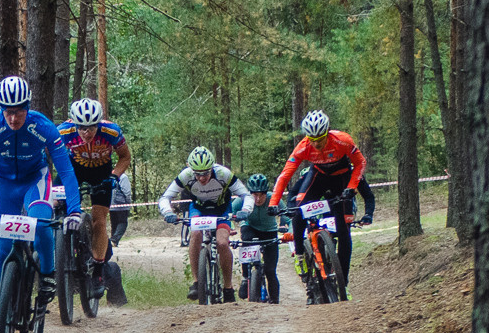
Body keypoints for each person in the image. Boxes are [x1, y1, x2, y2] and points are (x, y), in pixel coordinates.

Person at [0, 76, 82, 333]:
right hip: (3, 185)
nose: (13, 118)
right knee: (1, 250)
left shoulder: (43, 127)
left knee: (41, 223)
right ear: (0, 109)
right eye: (8, 112)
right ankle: (0, 323)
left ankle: (47, 276)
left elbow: (66, 170)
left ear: (28, 107)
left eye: (19, 111)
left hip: (35, 181)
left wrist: (74, 211)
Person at [269, 110, 376, 300]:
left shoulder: (343, 140)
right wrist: (273, 203)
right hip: (318, 176)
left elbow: (360, 162)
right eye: (312, 139)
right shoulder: (303, 147)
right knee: (299, 209)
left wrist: (351, 188)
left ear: (327, 133)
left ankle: (343, 283)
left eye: (320, 139)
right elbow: (285, 175)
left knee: (344, 232)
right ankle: (300, 256)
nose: (317, 144)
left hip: (341, 178)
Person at [56, 97, 133, 303]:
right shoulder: (63, 131)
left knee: (99, 220)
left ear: (98, 124)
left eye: (91, 128)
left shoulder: (111, 132)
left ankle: (98, 270)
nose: (86, 133)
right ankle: (59, 251)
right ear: (74, 124)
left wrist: (115, 176)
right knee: (53, 205)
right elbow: (48, 155)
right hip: (73, 171)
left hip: (101, 173)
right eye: (81, 128)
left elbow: (125, 157)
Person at [156, 146, 248, 302]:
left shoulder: (223, 173)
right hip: (199, 208)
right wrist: (168, 212)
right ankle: (196, 282)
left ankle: (228, 288)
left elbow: (245, 194)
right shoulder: (186, 175)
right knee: (195, 234)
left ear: (212, 168)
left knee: (222, 243)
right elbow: (165, 197)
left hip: (222, 209)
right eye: (197, 174)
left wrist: (245, 210)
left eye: (205, 173)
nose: (201, 178)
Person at [237, 173, 284, 303]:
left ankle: (275, 300)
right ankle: (245, 278)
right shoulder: (242, 199)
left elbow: (286, 214)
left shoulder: (273, 198)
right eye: (255, 195)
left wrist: (286, 226)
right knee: (246, 240)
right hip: (250, 227)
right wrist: (230, 226)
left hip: (269, 231)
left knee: (270, 270)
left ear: (266, 193)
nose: (258, 199)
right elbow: (230, 212)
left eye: (261, 195)